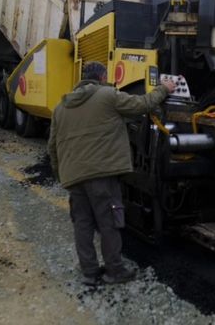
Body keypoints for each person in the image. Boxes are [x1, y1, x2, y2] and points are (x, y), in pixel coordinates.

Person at [48, 61, 176, 286]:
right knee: (108, 223)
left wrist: (62, 175)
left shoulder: (61, 107)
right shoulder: (107, 95)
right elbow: (142, 104)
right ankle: (114, 271)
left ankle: (89, 273)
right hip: (101, 175)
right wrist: (164, 88)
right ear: (102, 77)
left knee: (82, 225)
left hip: (74, 177)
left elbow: (52, 146)